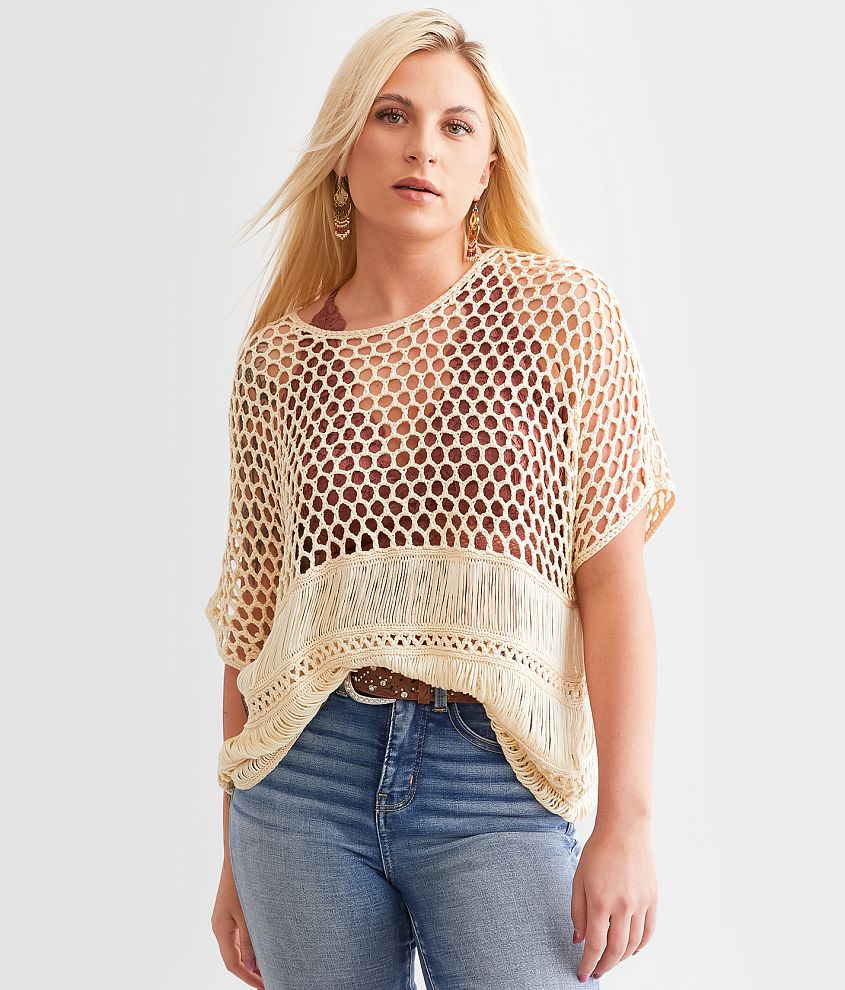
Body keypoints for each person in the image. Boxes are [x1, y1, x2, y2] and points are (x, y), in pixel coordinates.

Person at [207, 10, 677, 990]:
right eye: (391, 115)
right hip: (300, 787)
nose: (422, 145)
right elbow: (252, 624)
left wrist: (626, 822)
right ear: (344, 151)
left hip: (492, 781)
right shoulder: (279, 363)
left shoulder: (560, 319)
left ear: (485, 167)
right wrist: (226, 857)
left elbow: (614, 586)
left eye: (455, 126)